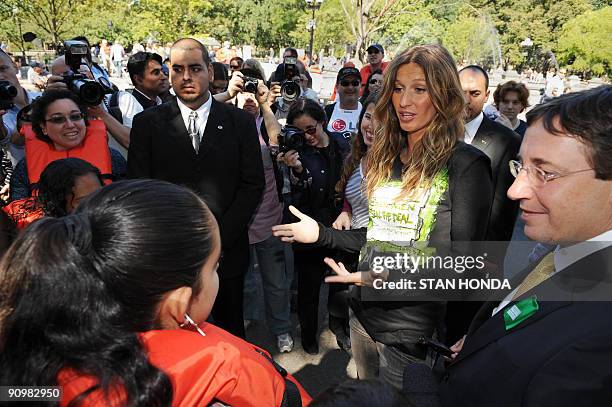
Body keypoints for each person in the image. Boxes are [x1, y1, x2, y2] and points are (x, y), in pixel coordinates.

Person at [273, 44, 493, 388]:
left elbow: (462, 267)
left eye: (419, 89)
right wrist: (321, 234)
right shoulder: (388, 159)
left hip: (409, 336)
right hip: (362, 318)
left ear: (444, 95)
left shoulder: (465, 165)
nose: (404, 102)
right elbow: (376, 236)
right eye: (398, 89)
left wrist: (379, 278)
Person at [0, 179, 311, 406]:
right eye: (215, 265)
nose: (218, 272)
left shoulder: (34, 358)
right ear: (179, 303)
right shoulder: (224, 384)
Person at [440, 85, 612, 407]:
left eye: (545, 173)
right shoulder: (560, 245)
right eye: (521, 167)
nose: (515, 190)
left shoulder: (602, 341)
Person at [127, 38, 264, 338]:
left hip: (227, 251)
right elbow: (139, 188)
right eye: (177, 69)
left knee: (230, 331)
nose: (186, 76)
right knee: (173, 336)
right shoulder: (147, 123)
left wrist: (218, 239)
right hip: (169, 254)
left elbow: (252, 184)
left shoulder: (240, 122)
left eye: (194, 68)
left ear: (211, 73)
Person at [234, 67, 295, 353]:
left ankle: (281, 329)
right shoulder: (225, 124)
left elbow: (276, 140)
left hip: (270, 218)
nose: (248, 97)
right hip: (238, 222)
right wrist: (230, 94)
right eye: (243, 90)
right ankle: (247, 316)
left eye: (253, 91)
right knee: (244, 281)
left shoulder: (264, 122)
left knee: (276, 283)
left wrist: (264, 104)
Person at [277, 97, 344, 354]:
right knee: (308, 288)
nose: (307, 137)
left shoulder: (342, 146)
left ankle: (340, 328)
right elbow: (299, 191)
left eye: (310, 129)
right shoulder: (297, 154)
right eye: (299, 131)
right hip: (308, 231)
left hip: (340, 229)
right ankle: (308, 335)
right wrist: (294, 170)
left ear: (322, 122)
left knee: (340, 285)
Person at [9, 90, 126, 201]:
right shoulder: (25, 167)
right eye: (58, 119)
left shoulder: (113, 158)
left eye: (75, 116)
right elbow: (19, 210)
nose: (70, 125)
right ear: (43, 127)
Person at [3, 157, 103, 229]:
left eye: (99, 196)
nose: (96, 205)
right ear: (57, 202)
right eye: (83, 201)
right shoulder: (39, 232)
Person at [0, 49, 42, 167]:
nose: (0, 77)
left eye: (3, 69)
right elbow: (8, 140)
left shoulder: (41, 98)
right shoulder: (3, 114)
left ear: (15, 67)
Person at [108, 52, 170, 128]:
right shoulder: (131, 107)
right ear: (139, 79)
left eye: (163, 71)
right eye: (156, 73)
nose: (164, 77)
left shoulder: (165, 101)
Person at [324, 67, 363, 160]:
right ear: (337, 87)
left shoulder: (367, 112)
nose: (350, 87)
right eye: (345, 83)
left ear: (360, 86)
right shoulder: (327, 111)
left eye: (355, 83)